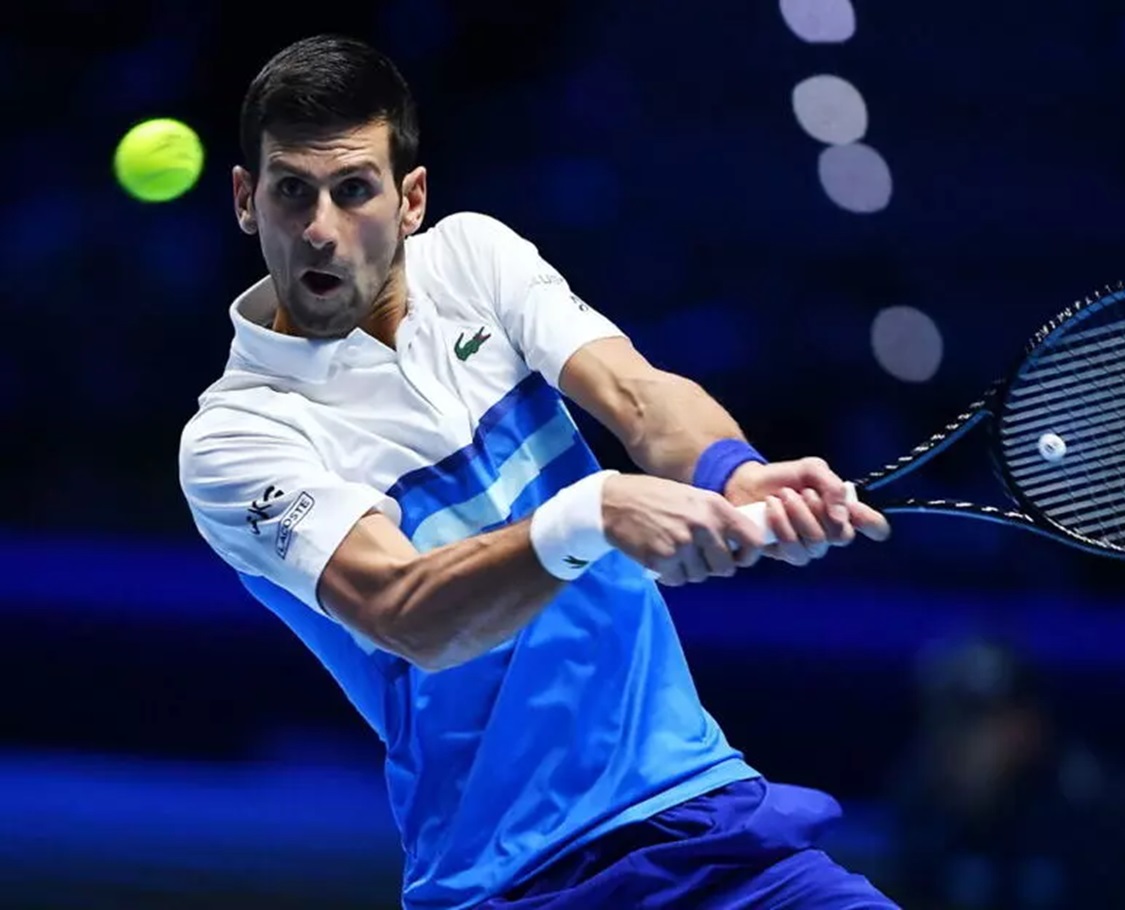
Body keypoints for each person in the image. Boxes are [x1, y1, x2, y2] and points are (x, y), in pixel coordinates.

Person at [177, 33, 896, 910]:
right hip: (511, 879)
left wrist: (731, 472)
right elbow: (406, 611)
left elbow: (637, 396)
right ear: (246, 200)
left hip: (706, 821)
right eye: (292, 190)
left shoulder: (474, 260)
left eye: (354, 189)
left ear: (411, 200)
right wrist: (589, 513)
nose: (320, 229)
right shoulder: (238, 437)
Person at [882, 638, 1125, 910]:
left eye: (978, 726)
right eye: (946, 723)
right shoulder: (922, 809)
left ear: (1028, 725)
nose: (954, 744)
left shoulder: (1115, 818)